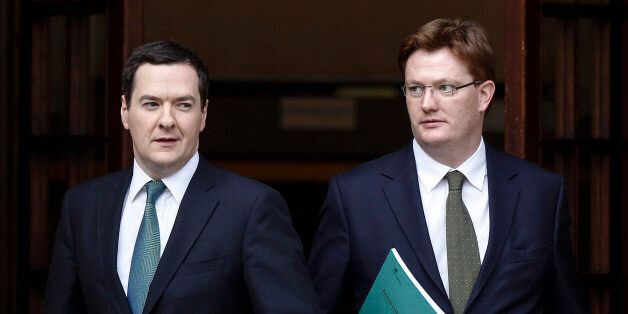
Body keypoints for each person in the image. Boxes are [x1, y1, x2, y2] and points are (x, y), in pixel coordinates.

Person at [308, 18, 587, 313]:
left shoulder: (540, 193)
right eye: (415, 89)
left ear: (484, 95)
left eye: (445, 87)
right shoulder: (355, 196)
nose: (427, 103)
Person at [44, 40, 321, 313]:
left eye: (183, 105)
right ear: (125, 112)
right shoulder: (83, 206)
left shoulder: (251, 208)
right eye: (151, 104)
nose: (167, 120)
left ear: (203, 114)